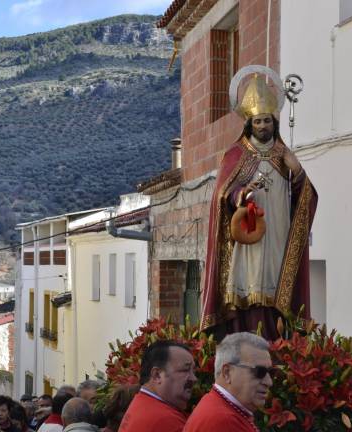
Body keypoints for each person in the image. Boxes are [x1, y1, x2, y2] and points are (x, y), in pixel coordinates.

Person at [202, 74, 318, 340]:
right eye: (258, 121)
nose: (263, 126)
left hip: (278, 234)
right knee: (249, 287)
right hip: (248, 238)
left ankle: (277, 341)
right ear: (249, 123)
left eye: (267, 120)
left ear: (273, 122)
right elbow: (222, 194)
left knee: (276, 288)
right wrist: (241, 195)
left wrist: (297, 170)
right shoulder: (236, 153)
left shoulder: (283, 153)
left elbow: (305, 197)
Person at [183, 332, 274, 431]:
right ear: (227, 373)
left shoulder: (221, 408)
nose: (269, 382)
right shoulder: (222, 421)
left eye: (271, 372)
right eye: (259, 372)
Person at [119, 340, 197, 431]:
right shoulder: (165, 420)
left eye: (194, 371)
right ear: (157, 375)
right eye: (185, 370)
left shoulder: (143, 405)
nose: (194, 378)